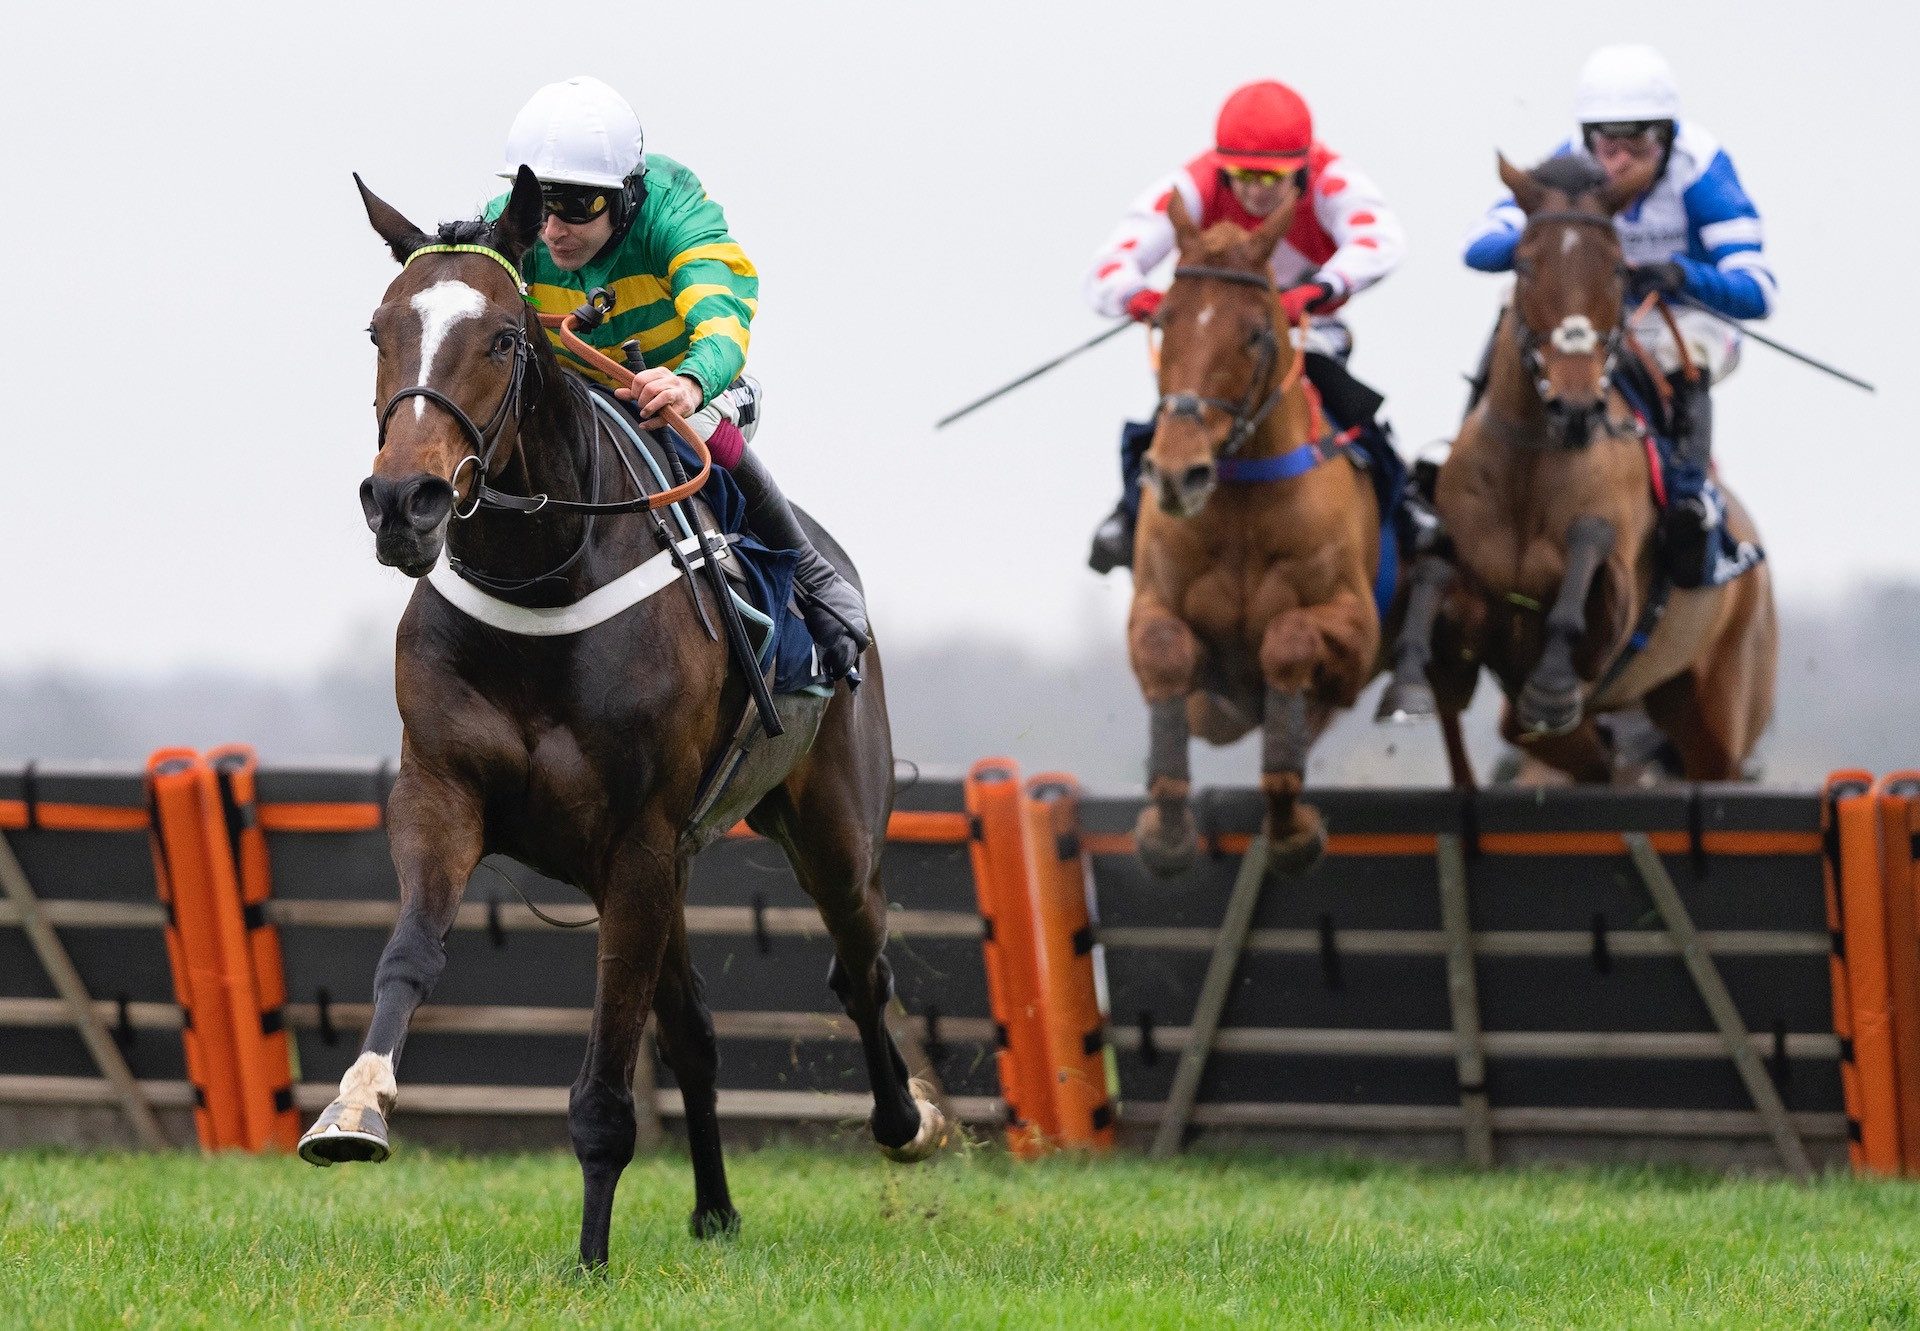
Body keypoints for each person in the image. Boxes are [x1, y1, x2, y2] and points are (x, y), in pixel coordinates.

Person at [487, 75, 869, 679]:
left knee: (681, 415)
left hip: (690, 389)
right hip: (573, 399)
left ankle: (812, 575)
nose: (553, 229)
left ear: (626, 196)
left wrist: (689, 381)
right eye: (541, 204)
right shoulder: (518, 227)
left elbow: (722, 314)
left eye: (577, 205)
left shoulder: (677, 213)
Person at [1462, 45, 1776, 586]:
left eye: (1638, 146)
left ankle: (1690, 496)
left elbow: (1758, 291)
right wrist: (1542, 239)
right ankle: (1466, 446)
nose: (1618, 163)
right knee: (1512, 312)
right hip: (1597, 313)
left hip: (1684, 316)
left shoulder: (1702, 171)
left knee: (1684, 354)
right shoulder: (1568, 168)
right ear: (1587, 139)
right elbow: (1479, 249)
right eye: (1608, 145)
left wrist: (1680, 274)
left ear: (1667, 138)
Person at [1082, 79, 1408, 573]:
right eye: (1241, 176)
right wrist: (1142, 298)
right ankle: (1128, 513)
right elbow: (1110, 264)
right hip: (1220, 339)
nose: (1255, 191)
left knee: (1350, 402)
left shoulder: (1332, 179)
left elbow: (1381, 241)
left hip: (1308, 329)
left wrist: (1320, 288)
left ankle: (1405, 512)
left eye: (1271, 178)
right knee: (1185, 394)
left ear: (1300, 170)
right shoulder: (1194, 184)